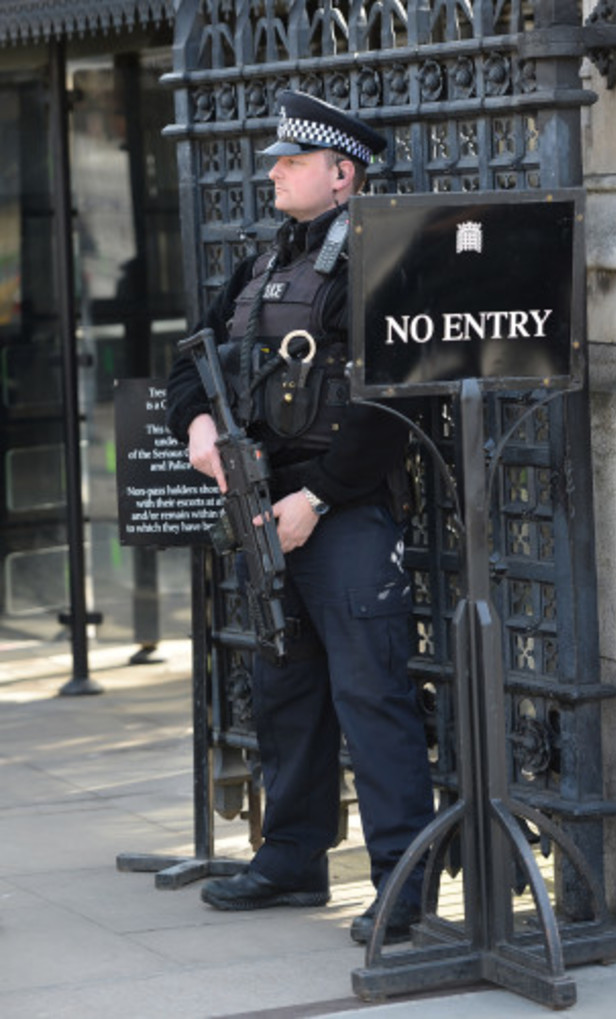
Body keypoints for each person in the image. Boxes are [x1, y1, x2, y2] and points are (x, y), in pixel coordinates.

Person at [166, 90, 434, 945]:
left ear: (342, 174)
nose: (273, 170)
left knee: (371, 694)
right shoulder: (264, 263)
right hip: (264, 507)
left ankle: (405, 882)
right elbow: (192, 361)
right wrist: (199, 426)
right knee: (288, 690)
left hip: (343, 514)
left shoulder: (377, 260)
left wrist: (315, 498)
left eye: (291, 160)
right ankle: (294, 854)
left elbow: (397, 402)